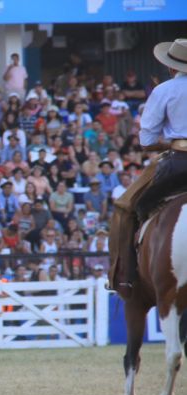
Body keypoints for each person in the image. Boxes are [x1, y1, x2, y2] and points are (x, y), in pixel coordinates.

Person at [109, 38, 187, 296]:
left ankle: (126, 277)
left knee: (131, 207)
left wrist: (172, 142)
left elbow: (146, 141)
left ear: (170, 67)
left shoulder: (164, 90)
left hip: (177, 164)